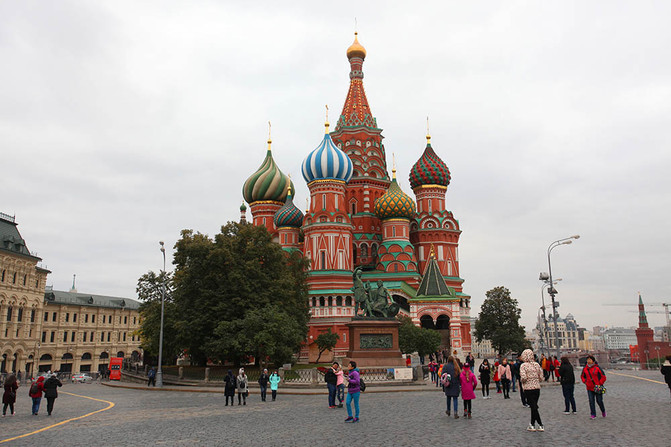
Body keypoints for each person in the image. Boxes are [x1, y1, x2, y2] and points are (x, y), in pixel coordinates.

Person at [519, 348, 544, 432]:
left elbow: (523, 377)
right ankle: (532, 424)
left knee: (534, 407)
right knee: (534, 406)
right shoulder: (536, 365)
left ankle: (540, 424)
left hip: (528, 388)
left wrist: (524, 381)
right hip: (537, 388)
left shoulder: (523, 365)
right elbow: (541, 377)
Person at [580, 355, 606, 419]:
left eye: (590, 359)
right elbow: (582, 376)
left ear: (593, 361)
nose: (588, 361)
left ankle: (603, 410)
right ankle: (593, 414)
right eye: (587, 360)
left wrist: (600, 383)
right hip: (589, 387)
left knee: (599, 401)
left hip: (597, 386)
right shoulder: (585, 368)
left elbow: (603, 376)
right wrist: (585, 382)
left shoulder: (597, 368)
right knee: (591, 401)